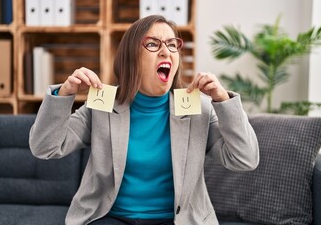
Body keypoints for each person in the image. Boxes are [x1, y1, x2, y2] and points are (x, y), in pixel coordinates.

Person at [29, 15, 259, 225]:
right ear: (131, 58)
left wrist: (223, 101)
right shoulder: (103, 104)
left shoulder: (198, 109)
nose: (165, 52)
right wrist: (65, 94)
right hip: (110, 217)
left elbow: (245, 159)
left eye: (171, 44)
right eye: (152, 44)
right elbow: (45, 147)